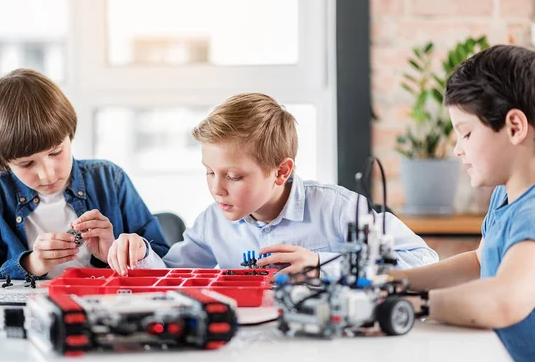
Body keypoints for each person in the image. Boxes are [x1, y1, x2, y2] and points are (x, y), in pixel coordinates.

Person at [106, 93, 437, 277]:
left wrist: (322, 264)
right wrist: (140, 252)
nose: (217, 189)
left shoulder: (337, 209)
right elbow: (171, 276)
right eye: (209, 172)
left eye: (233, 176)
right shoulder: (213, 221)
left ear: (281, 172)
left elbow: (424, 259)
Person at [387, 45, 535, 362]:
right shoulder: (505, 196)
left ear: (514, 126)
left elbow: (504, 300)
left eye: (466, 132)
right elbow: (479, 262)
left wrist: (414, 306)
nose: (457, 148)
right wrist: (394, 282)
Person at [0, 68, 169, 279]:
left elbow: (164, 262)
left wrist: (118, 253)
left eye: (56, 152)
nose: (47, 175)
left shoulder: (110, 180)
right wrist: (31, 264)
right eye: (26, 164)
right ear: (2, 162)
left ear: (70, 134)